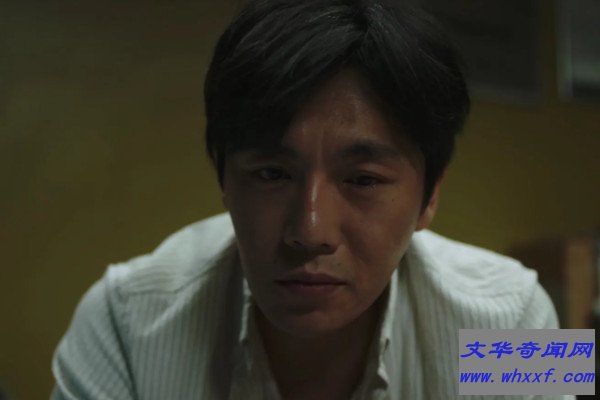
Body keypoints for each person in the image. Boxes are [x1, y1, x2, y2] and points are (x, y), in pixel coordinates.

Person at [51, 1, 572, 399]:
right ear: (224, 181)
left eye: (363, 180)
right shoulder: (126, 322)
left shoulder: (514, 315)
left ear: (430, 196)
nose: (310, 230)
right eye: (272, 174)